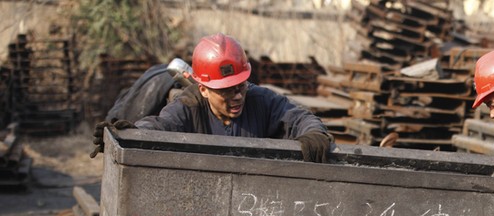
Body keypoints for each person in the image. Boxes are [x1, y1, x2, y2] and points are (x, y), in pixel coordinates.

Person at [92, 33, 332, 163]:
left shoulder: (261, 100)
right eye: (226, 91)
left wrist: (314, 133)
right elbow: (160, 125)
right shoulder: (188, 106)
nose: (237, 96)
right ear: (203, 88)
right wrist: (131, 132)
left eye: (240, 86)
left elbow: (298, 117)